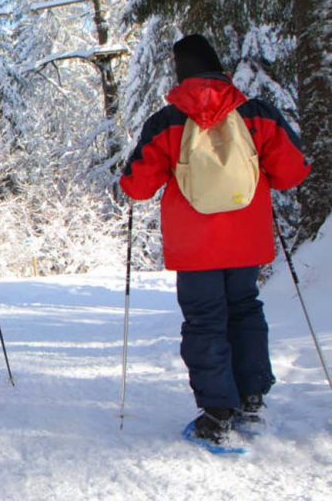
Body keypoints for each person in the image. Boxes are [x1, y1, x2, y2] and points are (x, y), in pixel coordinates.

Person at [120, 34, 310, 448]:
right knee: (245, 309)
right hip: (247, 238)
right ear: (221, 71)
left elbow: (136, 187)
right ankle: (252, 398)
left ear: (180, 75)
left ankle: (217, 413)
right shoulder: (257, 114)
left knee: (205, 320)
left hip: (194, 246)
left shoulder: (168, 121)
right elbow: (294, 171)